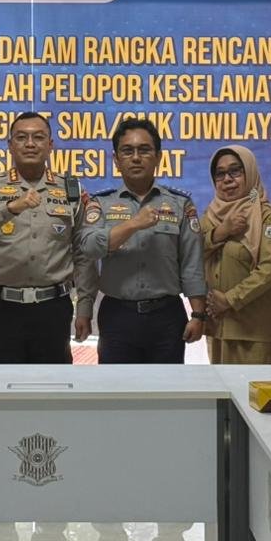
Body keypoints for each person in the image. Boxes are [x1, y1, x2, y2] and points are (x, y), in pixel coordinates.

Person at [0, 111, 99, 363]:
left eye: (38, 137)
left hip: (53, 308)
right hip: (2, 309)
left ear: (50, 145)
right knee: (0, 382)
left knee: (53, 382)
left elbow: (83, 253)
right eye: (22, 137)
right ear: (10, 145)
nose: (30, 144)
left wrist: (85, 307)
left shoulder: (70, 190)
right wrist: (10, 208)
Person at [78, 117, 207, 363]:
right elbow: (89, 248)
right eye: (127, 151)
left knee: (167, 385)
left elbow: (192, 263)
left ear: (158, 157)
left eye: (144, 150)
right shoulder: (101, 203)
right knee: (116, 385)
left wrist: (198, 315)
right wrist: (133, 224)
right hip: (117, 315)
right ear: (116, 160)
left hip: (167, 316)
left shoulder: (180, 203)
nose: (136, 158)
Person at [200, 145, 271, 364]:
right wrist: (221, 232)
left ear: (249, 173)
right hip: (217, 326)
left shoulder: (267, 216)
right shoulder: (210, 216)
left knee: (255, 387)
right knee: (219, 386)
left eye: (235, 171)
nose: (227, 180)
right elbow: (192, 254)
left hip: (254, 329)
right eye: (220, 174)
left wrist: (229, 299)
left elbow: (270, 270)